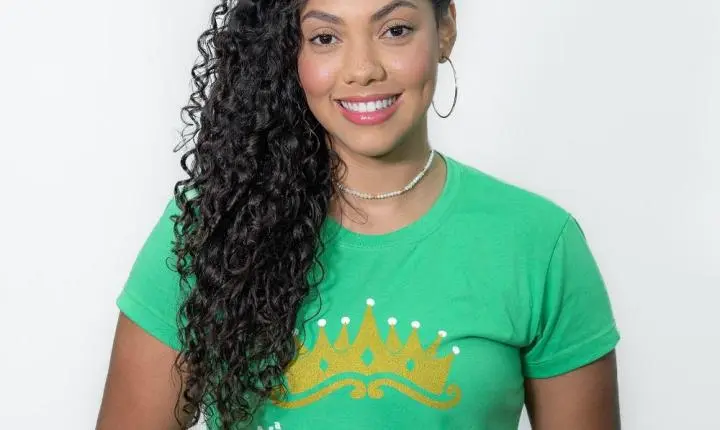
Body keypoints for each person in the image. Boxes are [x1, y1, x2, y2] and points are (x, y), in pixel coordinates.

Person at [97, 0, 621, 429]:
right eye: (325, 37)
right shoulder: (212, 226)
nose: (363, 69)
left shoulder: (540, 244)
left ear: (445, 30)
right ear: (288, 50)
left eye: (395, 30)